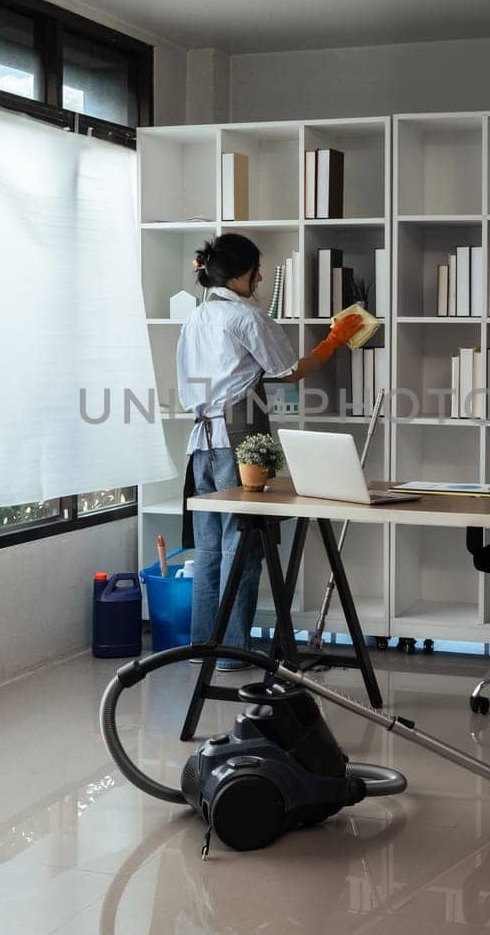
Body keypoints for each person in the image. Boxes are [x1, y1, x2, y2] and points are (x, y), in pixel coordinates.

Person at [176, 234, 363, 670]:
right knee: (244, 545)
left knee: (208, 550)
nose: (261, 277)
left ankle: (205, 647)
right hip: (238, 442)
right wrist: (333, 340)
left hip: (200, 443)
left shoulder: (196, 317)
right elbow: (288, 371)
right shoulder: (246, 317)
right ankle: (233, 651)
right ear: (240, 274)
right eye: (257, 269)